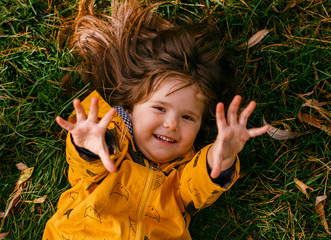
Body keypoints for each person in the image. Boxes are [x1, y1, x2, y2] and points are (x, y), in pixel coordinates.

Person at [43, 0, 269, 239]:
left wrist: (222, 156)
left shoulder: (181, 176)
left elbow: (198, 187)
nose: (172, 124)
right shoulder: (111, 151)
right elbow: (87, 166)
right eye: (160, 108)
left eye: (187, 117)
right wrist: (91, 145)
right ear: (130, 107)